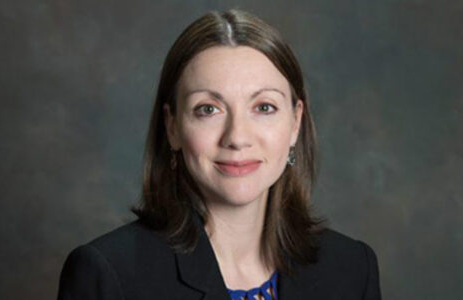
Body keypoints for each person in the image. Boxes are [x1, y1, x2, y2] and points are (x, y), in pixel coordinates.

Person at [57, 9, 381, 300]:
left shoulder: (352, 268)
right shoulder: (109, 274)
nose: (237, 137)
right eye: (208, 109)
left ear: (295, 122)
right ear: (172, 127)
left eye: (264, 107)